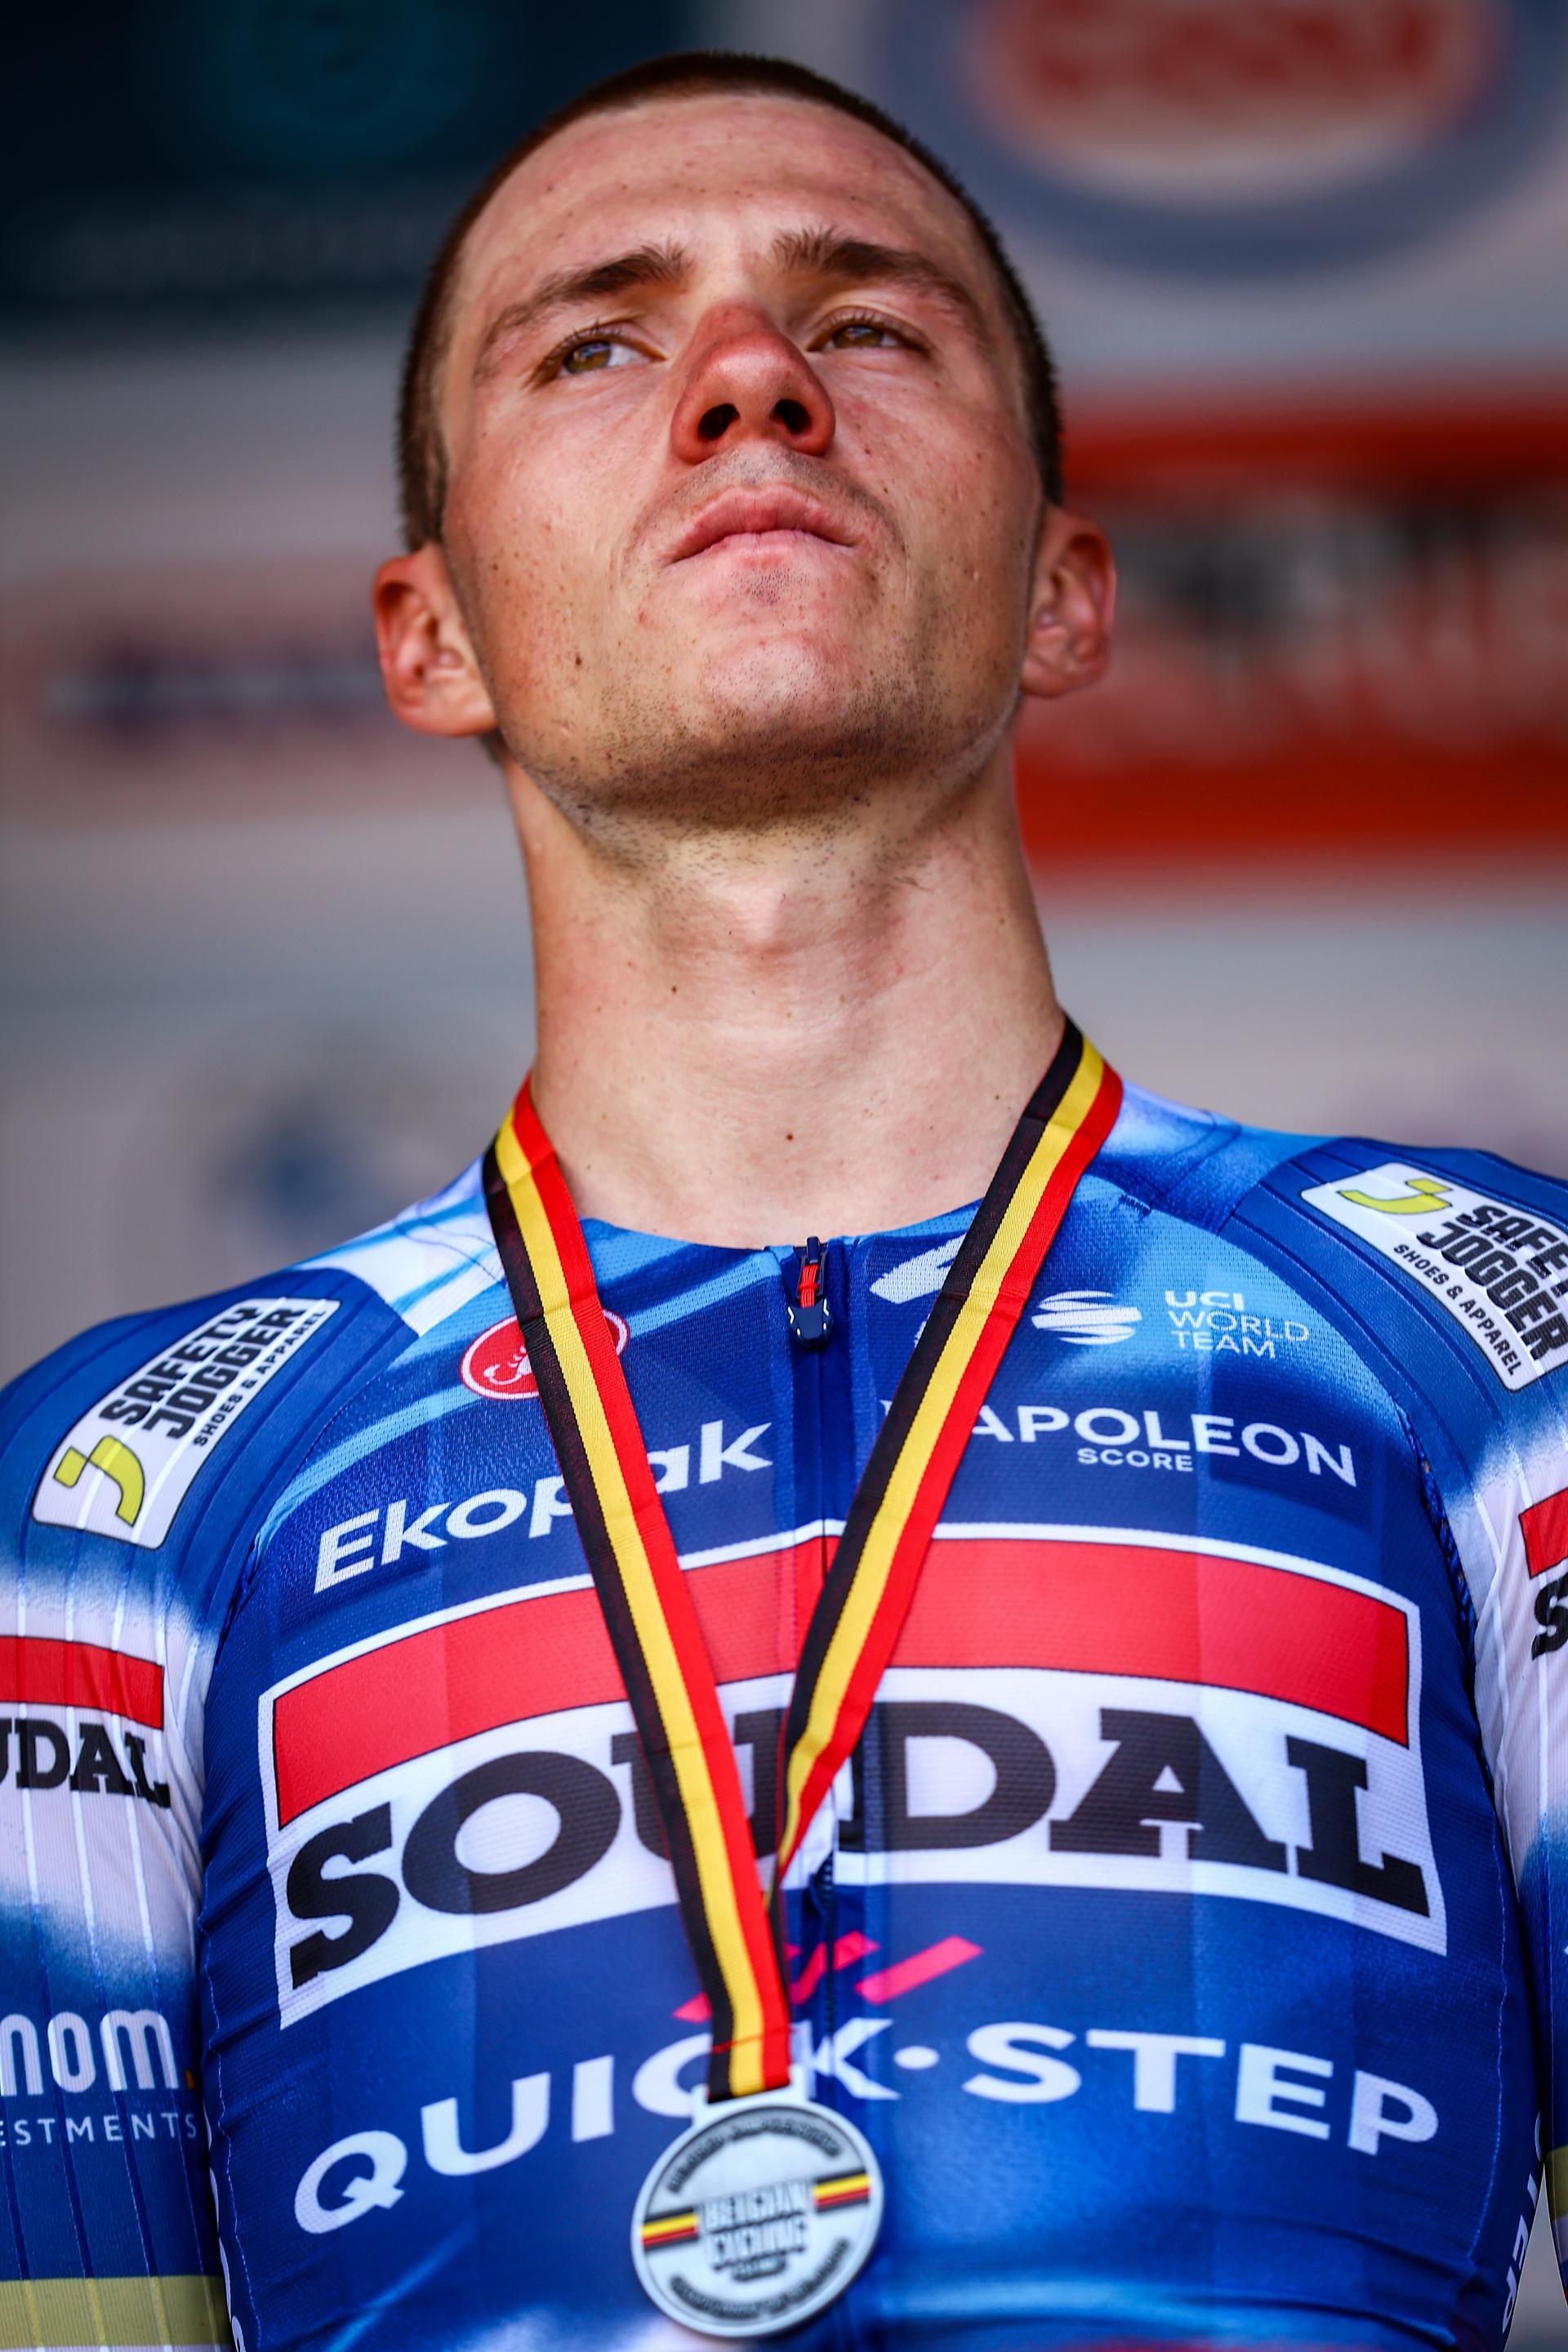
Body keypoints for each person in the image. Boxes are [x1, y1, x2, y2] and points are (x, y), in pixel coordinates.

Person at [2, 47, 1566, 2352]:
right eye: (602, 341)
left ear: (1060, 588)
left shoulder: (1500, 1355)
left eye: (868, 327)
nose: (750, 383)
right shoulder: (108, 1510)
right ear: (429, 636)